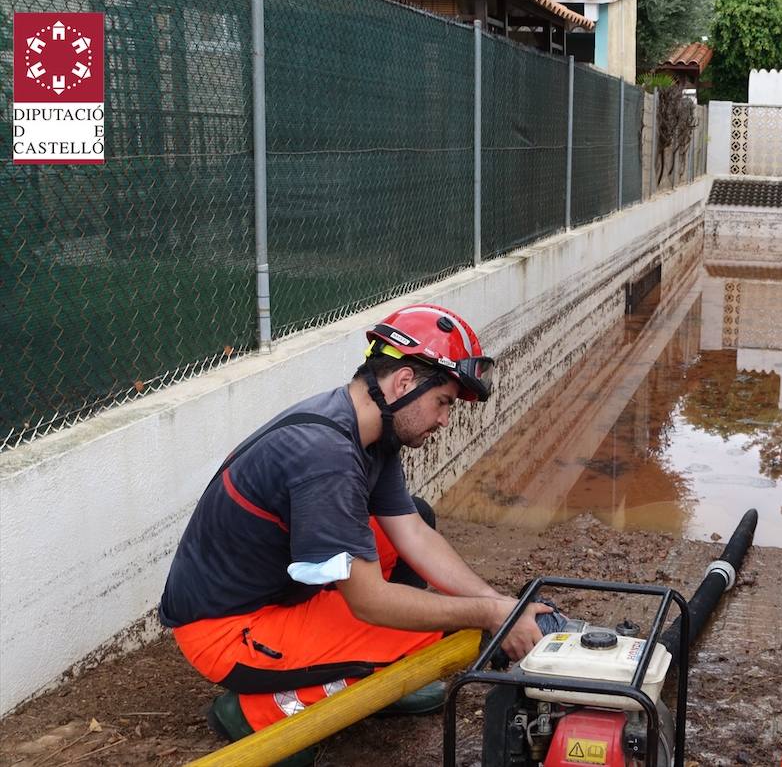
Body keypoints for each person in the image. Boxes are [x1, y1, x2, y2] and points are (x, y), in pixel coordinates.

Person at [158, 303, 550, 760]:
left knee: (417, 518)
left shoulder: (367, 430)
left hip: (279, 593)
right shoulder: (326, 457)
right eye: (443, 402)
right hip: (228, 632)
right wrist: (485, 615)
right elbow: (370, 601)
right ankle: (253, 712)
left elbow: (413, 536)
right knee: (430, 632)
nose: (445, 420)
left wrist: (503, 606)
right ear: (404, 383)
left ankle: (379, 678)